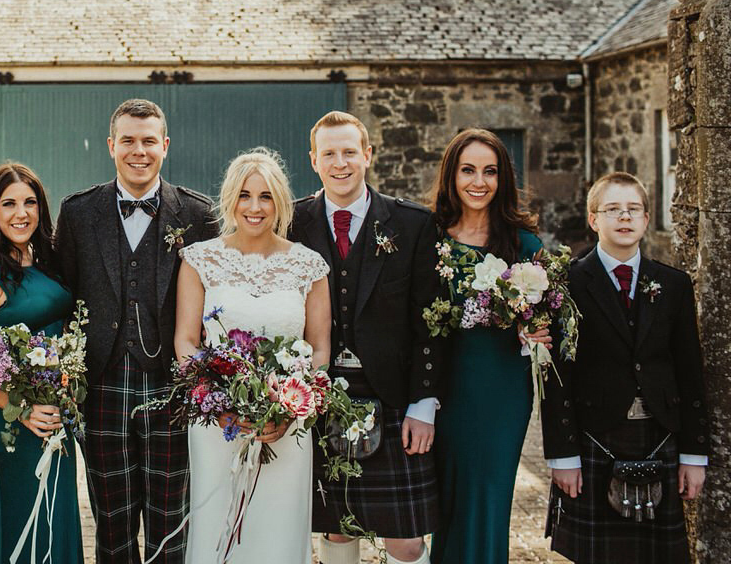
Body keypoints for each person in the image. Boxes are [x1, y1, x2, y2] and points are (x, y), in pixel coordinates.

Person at [54, 98, 219, 564]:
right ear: (111, 146)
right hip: (101, 385)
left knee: (171, 519)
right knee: (112, 518)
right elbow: (63, 293)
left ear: (165, 146)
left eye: (149, 141)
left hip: (173, 386)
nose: (138, 151)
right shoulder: (78, 212)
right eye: (128, 140)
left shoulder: (198, 215)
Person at [289, 111, 442, 564]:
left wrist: (424, 404)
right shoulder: (293, 222)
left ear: (368, 155)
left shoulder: (412, 223)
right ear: (314, 159)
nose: (341, 163)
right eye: (329, 153)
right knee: (336, 531)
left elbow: (429, 322)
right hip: (318, 396)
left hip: (394, 397)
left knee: (407, 539)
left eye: (350, 152)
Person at [174, 148, 331, 563]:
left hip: (287, 426)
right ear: (230, 200)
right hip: (217, 427)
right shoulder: (200, 259)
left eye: (265, 197)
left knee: (278, 531)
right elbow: (186, 342)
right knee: (216, 530)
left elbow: (320, 349)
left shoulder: (308, 266)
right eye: (245, 195)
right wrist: (219, 402)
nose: (255, 207)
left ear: (280, 202)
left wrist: (289, 404)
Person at [543, 172, 708, 564]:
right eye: (612, 209)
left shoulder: (673, 284)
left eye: (633, 209)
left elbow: (690, 371)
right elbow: (557, 376)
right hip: (593, 438)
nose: (624, 217)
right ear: (593, 218)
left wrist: (694, 455)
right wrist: (562, 457)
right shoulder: (566, 284)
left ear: (647, 218)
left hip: (659, 435)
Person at [0, 163, 84, 564]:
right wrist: (18, 407)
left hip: (54, 414)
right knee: (17, 518)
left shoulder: (43, 261)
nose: (21, 213)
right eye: (9, 204)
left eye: (30, 202)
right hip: (10, 420)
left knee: (55, 514)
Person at [425, 129, 549, 564]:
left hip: (501, 391)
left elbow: (549, 320)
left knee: (489, 498)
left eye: (490, 171)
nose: (479, 181)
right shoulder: (430, 238)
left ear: (503, 179)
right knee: (446, 500)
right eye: (468, 170)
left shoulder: (524, 244)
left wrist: (536, 332)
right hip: (443, 388)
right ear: (452, 175)